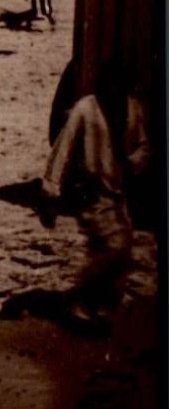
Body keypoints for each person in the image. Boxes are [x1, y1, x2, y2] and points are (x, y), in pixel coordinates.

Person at [39, 66, 150, 327]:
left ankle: (99, 305)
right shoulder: (85, 110)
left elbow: (143, 146)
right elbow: (63, 149)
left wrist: (133, 161)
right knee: (113, 246)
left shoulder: (132, 109)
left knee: (120, 251)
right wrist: (51, 190)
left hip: (117, 192)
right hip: (89, 191)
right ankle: (81, 300)